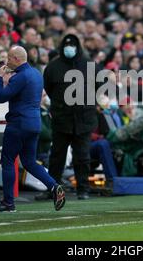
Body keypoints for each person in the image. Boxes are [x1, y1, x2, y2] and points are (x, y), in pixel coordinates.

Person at [0, 46, 65, 212]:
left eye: (9, 58)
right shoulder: (37, 74)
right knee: (30, 162)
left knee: (8, 160)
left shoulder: (20, 76)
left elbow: (0, 98)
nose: (6, 62)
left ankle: (8, 202)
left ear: (17, 59)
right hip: (34, 123)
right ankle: (54, 187)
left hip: (18, 123)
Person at [44, 34, 98, 200]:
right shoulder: (53, 67)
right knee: (56, 156)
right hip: (62, 119)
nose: (69, 48)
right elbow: (49, 89)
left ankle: (83, 189)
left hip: (84, 119)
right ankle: (52, 189)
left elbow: (99, 87)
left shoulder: (90, 65)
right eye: (67, 45)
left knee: (82, 156)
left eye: (72, 45)